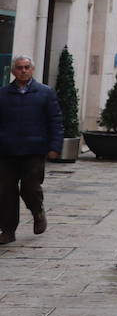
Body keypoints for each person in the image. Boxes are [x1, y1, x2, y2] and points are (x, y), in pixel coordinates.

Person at [0, 57, 62, 245]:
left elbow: (55, 121)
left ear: (32, 69)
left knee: (30, 187)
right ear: (13, 71)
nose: (23, 71)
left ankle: (37, 211)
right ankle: (8, 230)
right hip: (7, 151)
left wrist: (55, 147)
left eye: (27, 67)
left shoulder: (45, 93)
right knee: (5, 191)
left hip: (34, 150)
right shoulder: (3, 94)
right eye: (19, 68)